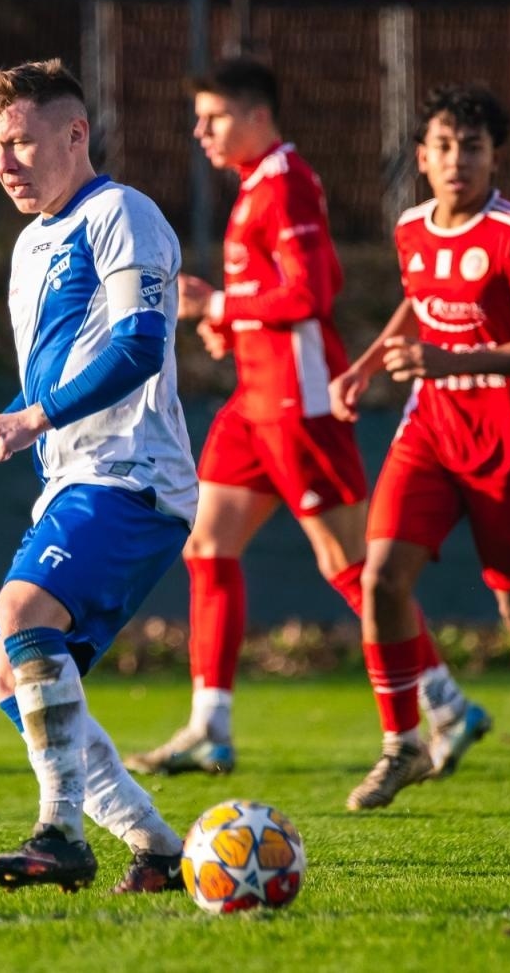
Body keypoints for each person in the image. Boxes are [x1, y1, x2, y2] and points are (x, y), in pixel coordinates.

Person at [0, 59, 197, 895]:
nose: (6, 161)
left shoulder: (121, 214)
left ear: (75, 133)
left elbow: (138, 346)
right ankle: (161, 848)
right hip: (71, 479)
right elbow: (45, 379)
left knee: (23, 612)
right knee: (10, 679)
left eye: (23, 140)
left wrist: (32, 421)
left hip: (132, 473)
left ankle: (60, 832)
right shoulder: (30, 246)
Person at [125, 57, 454, 777]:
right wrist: (231, 320)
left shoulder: (288, 181)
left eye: (213, 117)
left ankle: (445, 698)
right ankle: (209, 725)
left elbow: (312, 292)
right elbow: (276, 296)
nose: (200, 131)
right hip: (255, 401)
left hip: (298, 401)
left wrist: (217, 307)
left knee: (349, 566)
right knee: (206, 549)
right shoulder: (256, 187)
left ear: (258, 115)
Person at [329, 84, 510, 812]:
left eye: (471, 147)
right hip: (431, 432)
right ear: (421, 157)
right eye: (443, 146)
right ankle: (403, 744)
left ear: (493, 157)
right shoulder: (412, 227)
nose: (457, 160)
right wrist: (366, 362)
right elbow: (420, 299)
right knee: (379, 578)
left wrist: (450, 359)